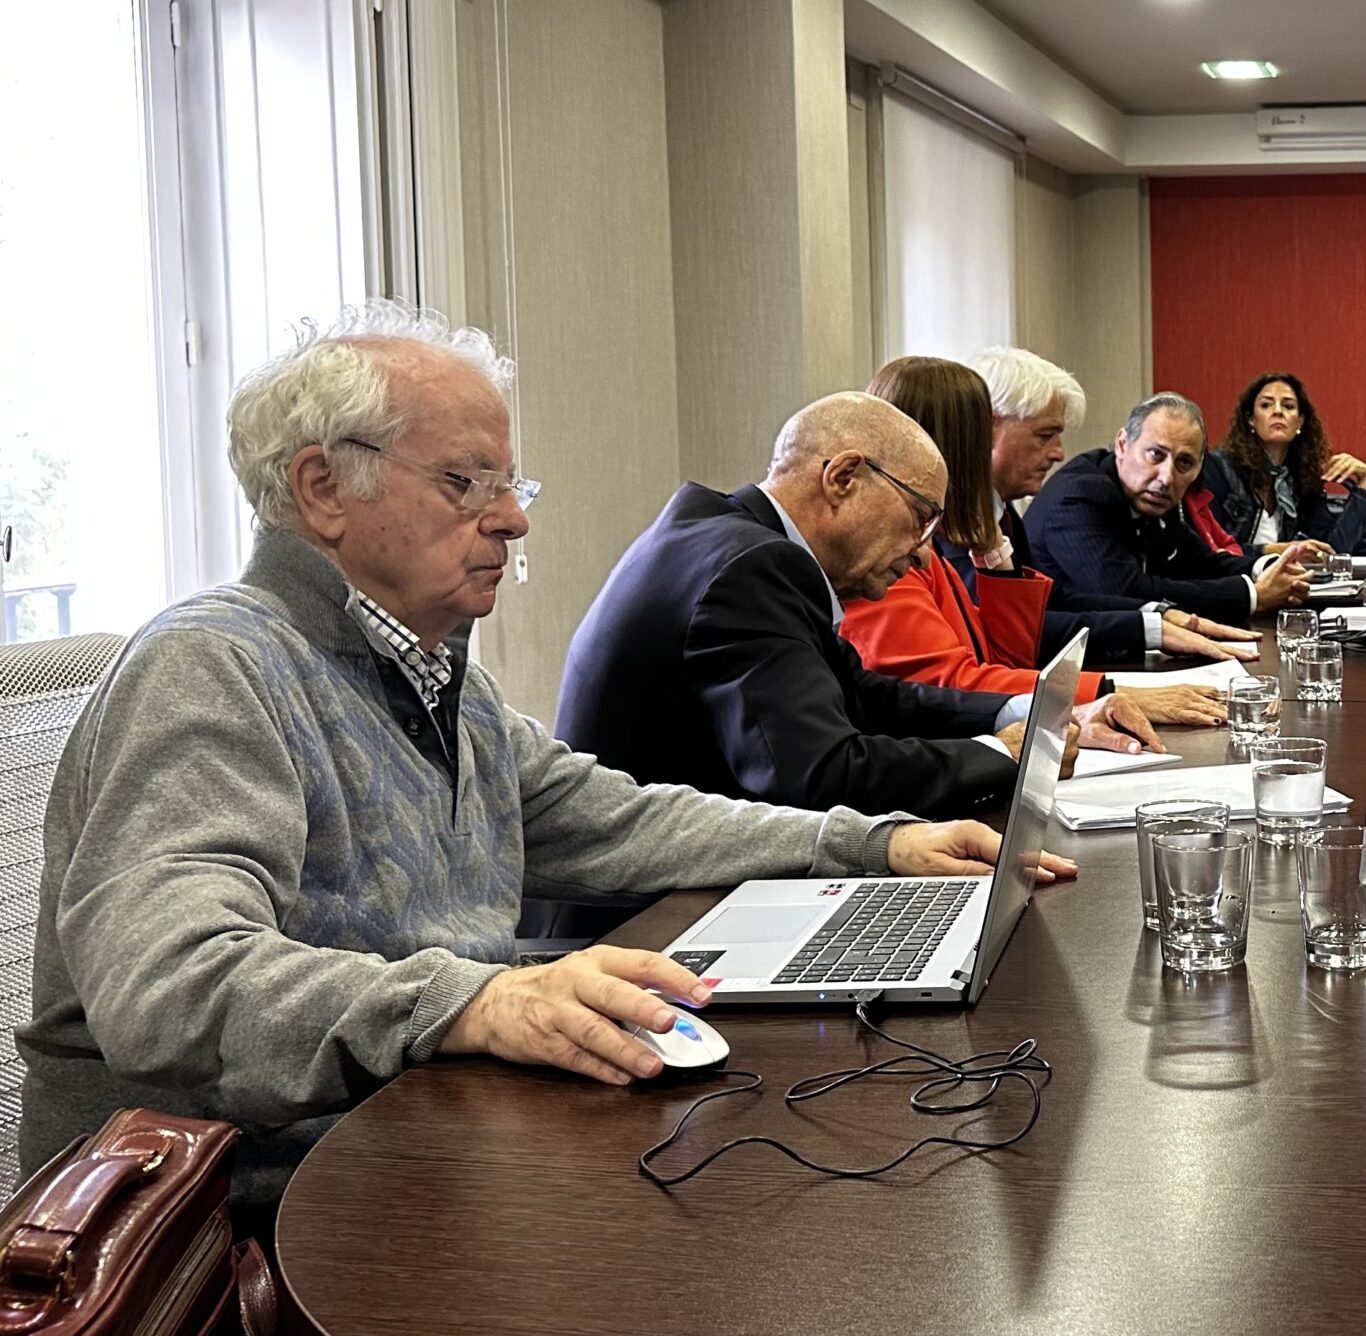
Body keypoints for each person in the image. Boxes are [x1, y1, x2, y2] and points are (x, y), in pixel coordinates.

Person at [16, 302, 1059, 1210]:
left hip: (411, 1135)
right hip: (254, 1211)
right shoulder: (213, 665)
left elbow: (619, 817)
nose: (512, 519)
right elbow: (169, 983)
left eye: (512, 484)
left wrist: (872, 844)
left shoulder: (437, 675)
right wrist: (474, 1001)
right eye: (467, 482)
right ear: (322, 487)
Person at [556, 391, 1168, 820]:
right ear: (844, 478)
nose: (924, 554)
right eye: (920, 518)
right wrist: (1003, 753)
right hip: (643, 922)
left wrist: (1029, 712)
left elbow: (866, 696)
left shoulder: (736, 540)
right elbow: (819, 776)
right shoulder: (751, 567)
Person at [836, 356, 1230, 724]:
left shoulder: (954, 536)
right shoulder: (888, 554)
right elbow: (950, 682)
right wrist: (1109, 692)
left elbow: (1008, 656)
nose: (1058, 453)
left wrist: (995, 556)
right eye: (980, 437)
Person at [968, 347, 1260, 659]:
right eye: (1045, 435)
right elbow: (1000, 631)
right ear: (989, 427)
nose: (1058, 453)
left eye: (1185, 463)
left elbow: (1050, 600)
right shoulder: (962, 522)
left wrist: (1157, 614)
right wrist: (1149, 627)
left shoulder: (1003, 512)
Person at [1022, 392, 1313, 622]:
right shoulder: (1079, 495)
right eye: (1155, 455)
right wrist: (1253, 596)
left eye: (1184, 463)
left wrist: (1267, 567)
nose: (1166, 477)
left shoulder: (1152, 496)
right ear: (1122, 444)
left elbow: (1200, 562)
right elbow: (1128, 591)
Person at [1198, 371, 1366, 556]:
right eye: (1266, 405)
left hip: (1280, 578)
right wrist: (1274, 551)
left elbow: (1332, 552)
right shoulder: (1219, 468)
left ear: (1300, 423)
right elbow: (1210, 551)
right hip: (1235, 578)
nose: (1278, 411)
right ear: (1251, 420)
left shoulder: (1302, 480)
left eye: (1288, 406)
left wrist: (1362, 485)